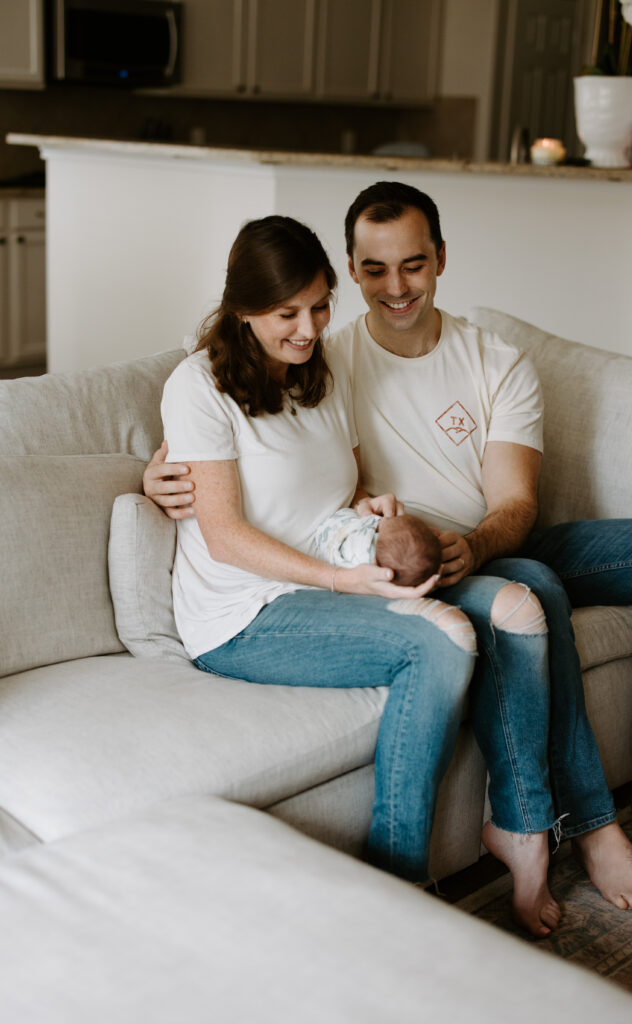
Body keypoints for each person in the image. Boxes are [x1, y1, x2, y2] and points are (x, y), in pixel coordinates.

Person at [144, 185, 632, 936]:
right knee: (489, 616)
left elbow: (456, 498)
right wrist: (157, 477)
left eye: (317, 307)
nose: (309, 328)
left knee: (590, 576)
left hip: (427, 552)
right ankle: (491, 858)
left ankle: (612, 800)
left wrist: (411, 525)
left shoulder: (378, 368)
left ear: (439, 261)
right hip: (307, 589)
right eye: (372, 270)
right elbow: (226, 510)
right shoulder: (261, 368)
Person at [157, 211, 534, 888]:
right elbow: (225, 536)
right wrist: (341, 580)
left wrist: (369, 509)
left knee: (503, 609)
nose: (307, 329)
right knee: (440, 639)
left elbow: (344, 485)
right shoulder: (197, 386)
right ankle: (399, 880)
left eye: (319, 307)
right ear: (244, 310)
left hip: (323, 574)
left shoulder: (319, 374)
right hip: (241, 614)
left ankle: (526, 828)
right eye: (285, 315)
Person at [313, 507, 442, 586]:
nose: (385, 519)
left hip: (326, 535)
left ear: (374, 559)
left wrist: (377, 522)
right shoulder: (419, 579)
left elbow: (358, 527)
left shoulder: (361, 546)